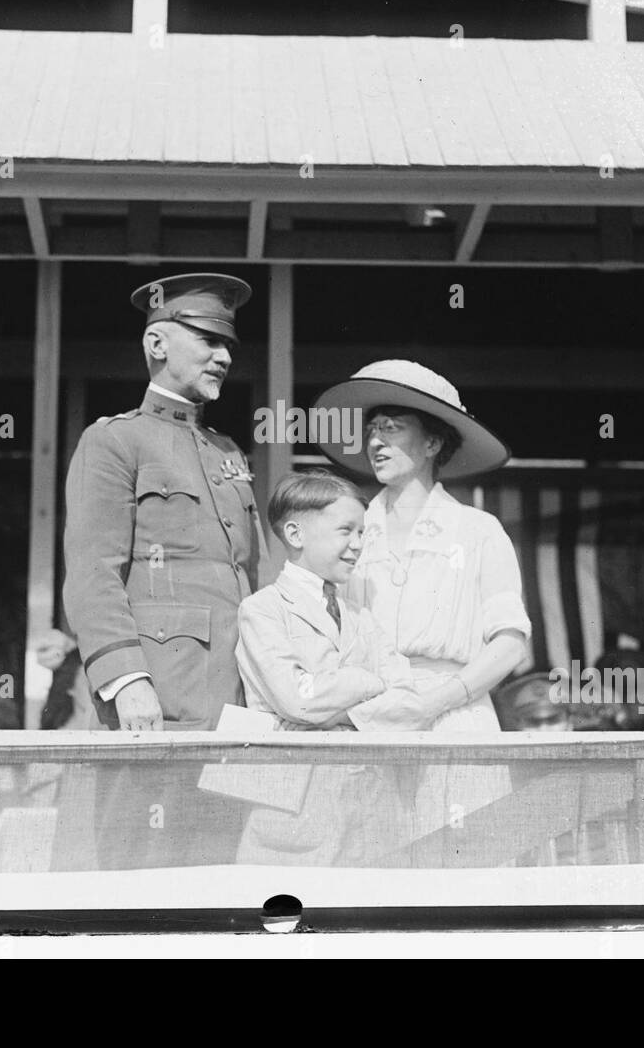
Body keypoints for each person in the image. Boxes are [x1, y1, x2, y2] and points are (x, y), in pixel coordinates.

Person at [61, 272, 268, 866]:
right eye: (207, 339)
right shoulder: (114, 443)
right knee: (137, 871)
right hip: (154, 701)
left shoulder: (228, 453)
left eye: (228, 343)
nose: (223, 355)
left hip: (233, 705)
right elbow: (92, 572)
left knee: (213, 874)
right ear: (157, 344)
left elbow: (255, 578)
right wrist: (128, 681)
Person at [312, 359, 533, 842]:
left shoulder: (477, 531)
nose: (375, 441)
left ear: (432, 443)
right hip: (370, 719)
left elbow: (511, 643)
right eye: (371, 429)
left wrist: (434, 702)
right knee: (370, 867)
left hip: (456, 717)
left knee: (460, 864)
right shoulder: (350, 536)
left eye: (393, 428)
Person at [233, 470, 439, 865]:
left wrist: (332, 711)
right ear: (295, 535)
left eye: (363, 534)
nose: (358, 545)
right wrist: (367, 682)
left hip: (371, 812)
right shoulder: (262, 611)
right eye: (346, 531)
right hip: (293, 812)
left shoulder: (362, 617)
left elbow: (412, 704)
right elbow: (298, 700)